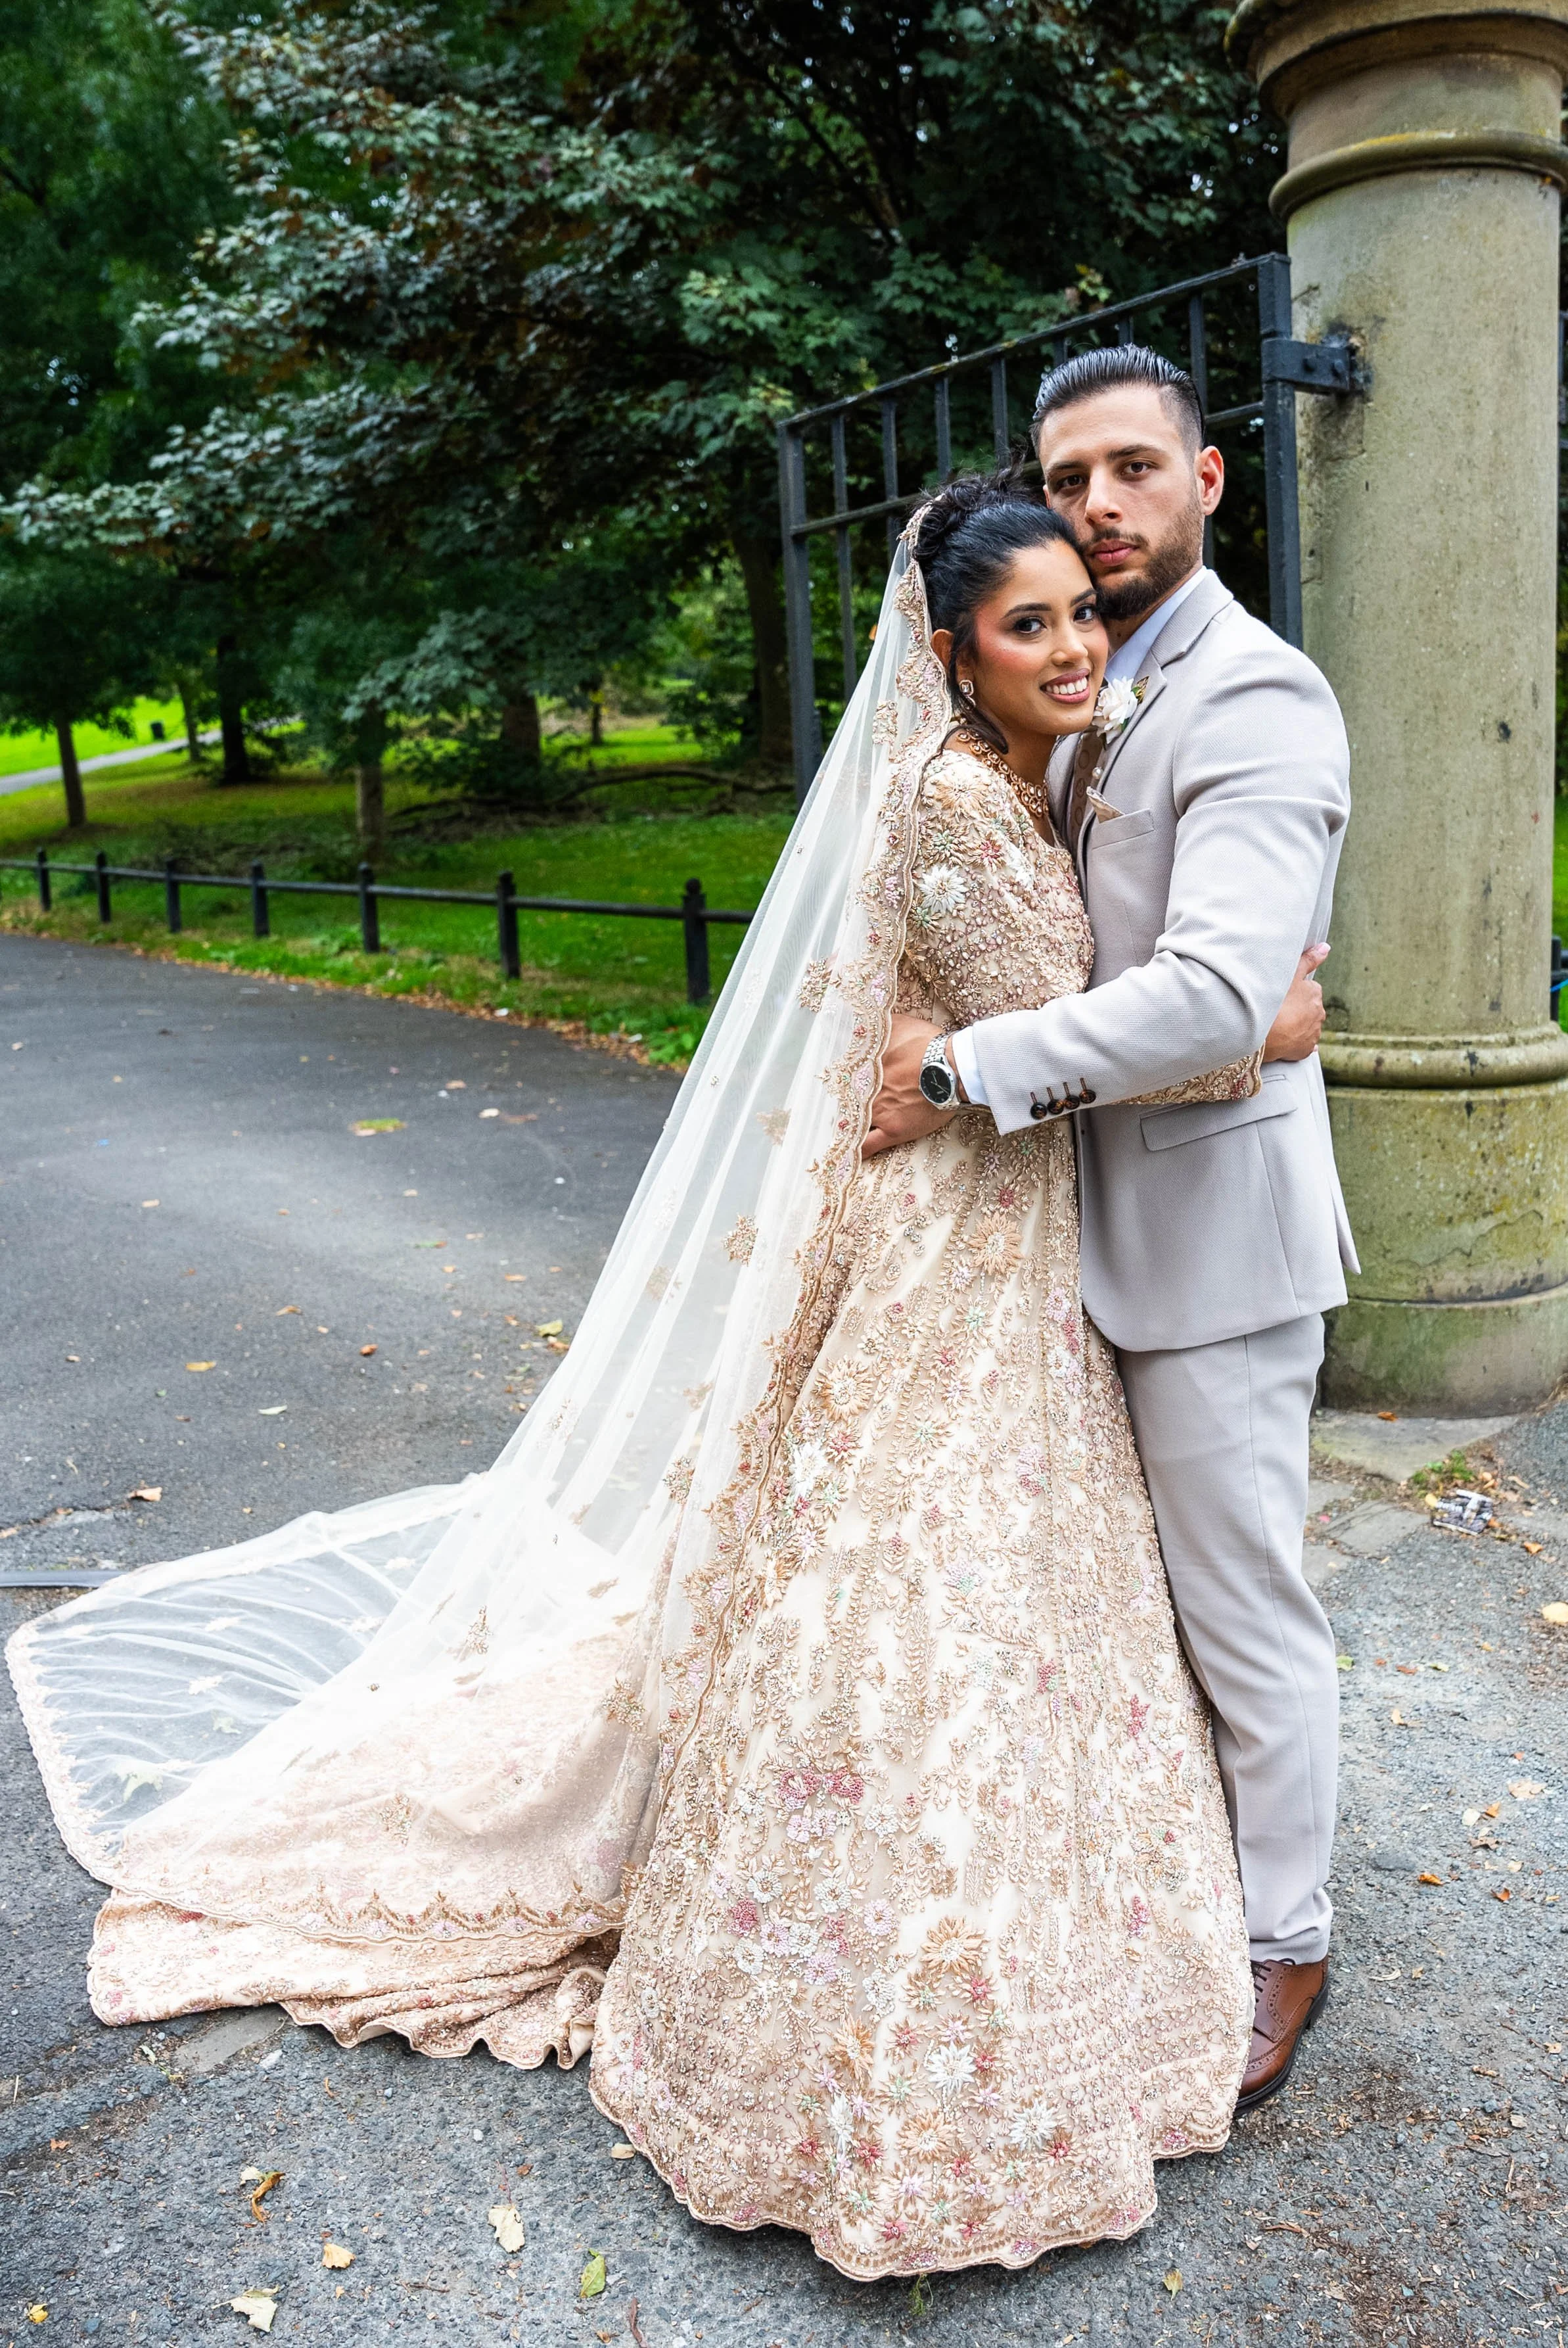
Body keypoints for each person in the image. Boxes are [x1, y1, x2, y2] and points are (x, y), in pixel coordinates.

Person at [7, 466, 1326, 2281]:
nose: (1074, 641)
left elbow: (1055, 1016)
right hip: (967, 1247)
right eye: (1031, 621)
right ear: (950, 651)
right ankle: (862, 1997)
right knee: (923, 1596)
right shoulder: (956, 813)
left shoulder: (1012, 784)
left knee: (997, 1591)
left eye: (1082, 613)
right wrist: (1272, 1008)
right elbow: (1103, 1037)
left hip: (1007, 1239)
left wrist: (1122, 1013)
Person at [865, 346, 1355, 2115]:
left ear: (1210, 479)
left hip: (1213, 1250)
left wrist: (969, 1070)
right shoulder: (1077, 688)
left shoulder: (1258, 698)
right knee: (1128, 1616)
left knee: (1243, 1614)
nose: (1101, 505)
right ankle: (1186, 1882)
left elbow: (1219, 993)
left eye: (1136, 468)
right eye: (1073, 477)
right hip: (1064, 1246)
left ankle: (1287, 1939)